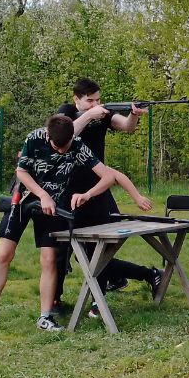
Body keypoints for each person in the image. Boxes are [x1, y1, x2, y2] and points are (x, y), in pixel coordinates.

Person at [0, 113, 153, 334]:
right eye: (56, 146)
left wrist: (87, 194)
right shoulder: (34, 138)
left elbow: (108, 176)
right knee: (4, 255)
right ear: (48, 135)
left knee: (50, 260)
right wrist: (42, 195)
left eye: (65, 146)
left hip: (53, 207)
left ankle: (45, 316)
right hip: (23, 201)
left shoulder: (77, 145)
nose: (61, 151)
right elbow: (21, 172)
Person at [54, 78, 162, 312]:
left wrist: (134, 114)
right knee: (61, 252)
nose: (95, 104)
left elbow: (127, 126)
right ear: (76, 100)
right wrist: (90, 115)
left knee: (98, 252)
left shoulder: (103, 114)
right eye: (89, 100)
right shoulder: (67, 112)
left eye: (98, 100)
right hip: (68, 191)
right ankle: (54, 301)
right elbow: (66, 135)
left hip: (98, 187)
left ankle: (98, 300)